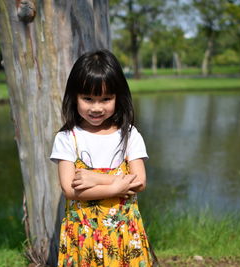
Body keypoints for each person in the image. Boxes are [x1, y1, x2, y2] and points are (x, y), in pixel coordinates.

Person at [50, 49, 156, 267]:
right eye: (88, 98)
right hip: (84, 234)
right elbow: (70, 190)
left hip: (124, 234)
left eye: (106, 99)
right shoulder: (67, 138)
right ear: (74, 97)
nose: (96, 108)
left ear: (118, 97)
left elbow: (140, 181)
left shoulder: (129, 134)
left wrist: (94, 179)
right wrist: (116, 187)